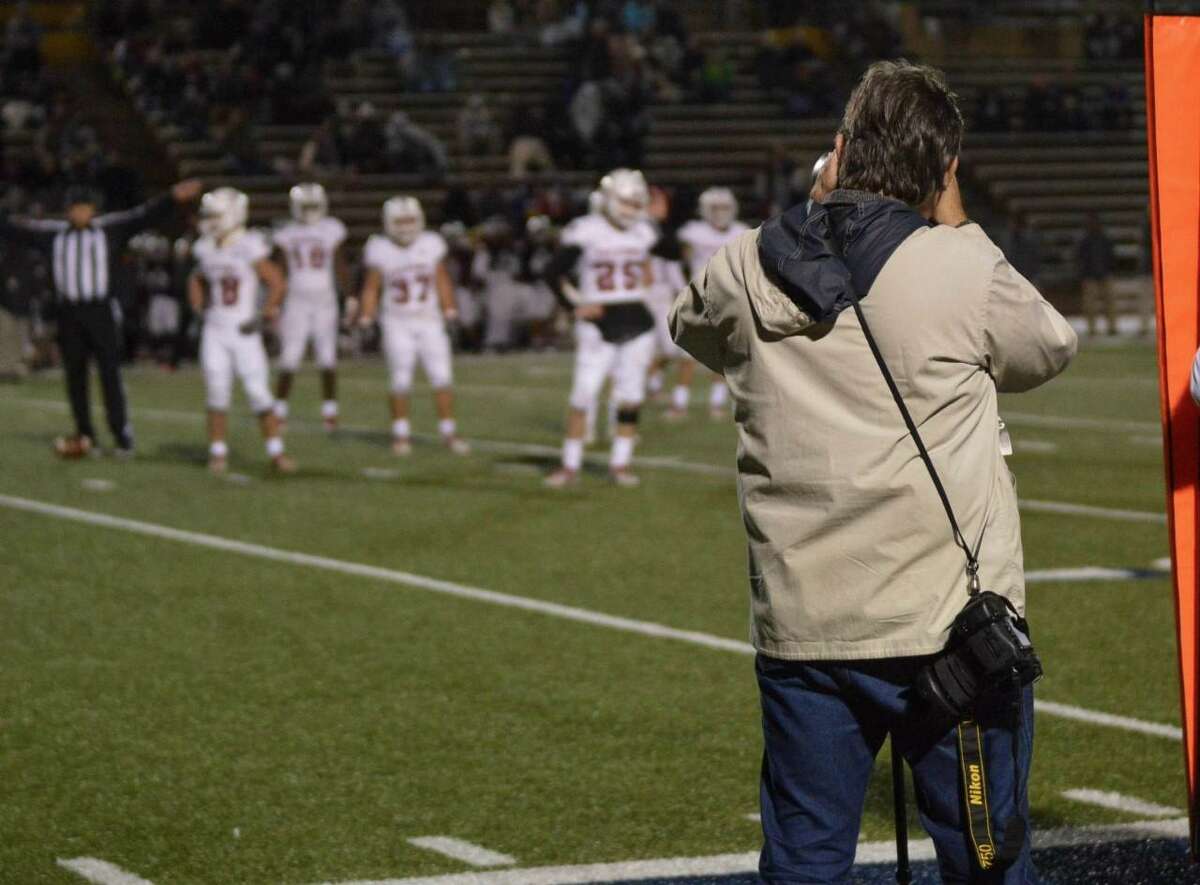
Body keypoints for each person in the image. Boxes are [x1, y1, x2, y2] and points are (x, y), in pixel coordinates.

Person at [670, 61, 1077, 884]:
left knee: (804, 859)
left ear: (841, 149)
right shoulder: (960, 267)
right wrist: (960, 227)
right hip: (946, 630)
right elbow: (1048, 345)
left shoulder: (745, 267)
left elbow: (693, 327)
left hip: (806, 621)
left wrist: (811, 213)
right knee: (986, 861)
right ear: (943, 171)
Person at [0, 179, 202, 457]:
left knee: (110, 374)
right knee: (75, 376)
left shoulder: (109, 229)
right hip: (68, 312)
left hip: (99, 310)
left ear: (93, 210)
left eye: (84, 208)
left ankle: (121, 436)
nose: (80, 213)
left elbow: (143, 216)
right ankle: (85, 433)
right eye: (75, 208)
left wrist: (172, 197)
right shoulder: (53, 234)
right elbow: (15, 230)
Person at [543, 169, 658, 488]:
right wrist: (575, 304)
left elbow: (670, 253)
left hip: (636, 316)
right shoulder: (587, 230)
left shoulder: (644, 231)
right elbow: (552, 272)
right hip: (598, 319)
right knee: (583, 395)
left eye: (637, 202)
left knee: (631, 397)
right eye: (625, 201)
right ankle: (570, 465)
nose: (631, 209)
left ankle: (620, 464)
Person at [188, 187, 295, 475]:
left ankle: (276, 453)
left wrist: (266, 312)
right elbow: (196, 279)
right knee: (216, 391)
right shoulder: (205, 247)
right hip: (215, 329)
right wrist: (199, 307)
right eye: (207, 215)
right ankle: (217, 452)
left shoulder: (249, 244)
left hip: (243, 329)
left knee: (258, 393)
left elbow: (277, 281)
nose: (210, 221)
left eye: (215, 215)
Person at [355, 196, 470, 457]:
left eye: (410, 220)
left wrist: (450, 312)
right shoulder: (380, 248)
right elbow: (371, 288)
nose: (406, 226)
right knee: (400, 380)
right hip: (397, 322)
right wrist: (366, 318)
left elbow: (442, 281)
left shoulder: (431, 244)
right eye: (400, 221)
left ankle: (449, 432)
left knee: (442, 377)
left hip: (430, 320)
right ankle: (400, 434)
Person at [270, 183, 348, 431]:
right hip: (296, 301)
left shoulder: (331, 229)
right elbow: (279, 270)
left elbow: (339, 264)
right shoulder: (286, 233)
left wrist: (350, 296)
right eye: (305, 207)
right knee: (290, 358)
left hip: (325, 300)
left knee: (327, 358)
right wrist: (274, 301)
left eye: (313, 206)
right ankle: (279, 410)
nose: (310, 211)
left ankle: (330, 411)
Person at [667, 187, 748, 419]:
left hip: (729, 298)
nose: (721, 213)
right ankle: (679, 403)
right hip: (698, 299)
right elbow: (677, 263)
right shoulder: (694, 232)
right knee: (688, 355)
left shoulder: (741, 232)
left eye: (724, 207)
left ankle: (717, 403)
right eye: (715, 208)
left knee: (724, 353)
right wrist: (681, 289)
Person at [1077, 213, 1116, 336]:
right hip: (1090, 275)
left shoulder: (1105, 239)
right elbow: (1080, 258)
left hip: (1105, 274)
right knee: (1090, 305)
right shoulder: (1084, 241)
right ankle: (1092, 328)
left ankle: (1112, 327)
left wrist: (1109, 269)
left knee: (1109, 302)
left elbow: (1111, 256)